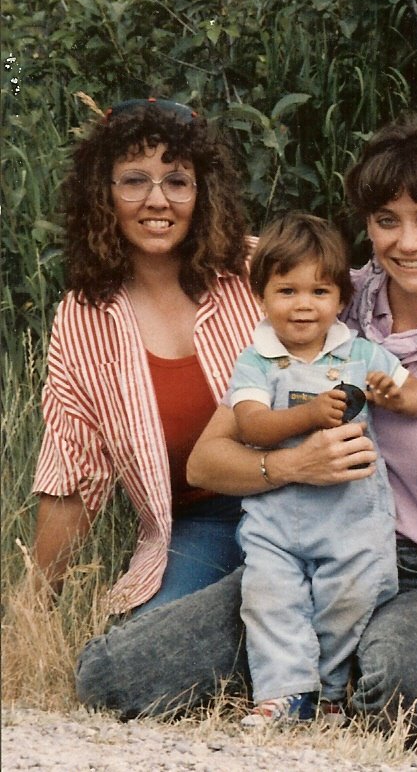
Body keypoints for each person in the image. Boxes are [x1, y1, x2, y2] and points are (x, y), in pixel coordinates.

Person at [72, 121, 417, 735]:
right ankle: (298, 674)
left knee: (406, 691)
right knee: (110, 678)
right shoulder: (322, 301)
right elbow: (209, 462)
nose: (407, 242)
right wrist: (295, 465)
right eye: (387, 220)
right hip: (300, 553)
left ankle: (324, 676)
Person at [30, 98, 260, 616]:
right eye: (134, 180)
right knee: (138, 651)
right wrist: (32, 609)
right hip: (199, 524)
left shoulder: (257, 269)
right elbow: (74, 473)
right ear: (103, 194)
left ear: (203, 193)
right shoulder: (83, 318)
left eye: (177, 181)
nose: (158, 201)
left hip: (299, 499)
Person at [228, 212, 417, 726]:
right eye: (287, 291)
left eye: (319, 292)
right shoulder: (256, 360)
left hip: (351, 520)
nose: (303, 305)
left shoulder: (359, 353)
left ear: (341, 299)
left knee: (350, 597)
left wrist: (395, 396)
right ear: (261, 295)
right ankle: (285, 692)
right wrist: (308, 415)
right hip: (276, 521)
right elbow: (251, 424)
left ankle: (330, 691)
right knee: (269, 598)